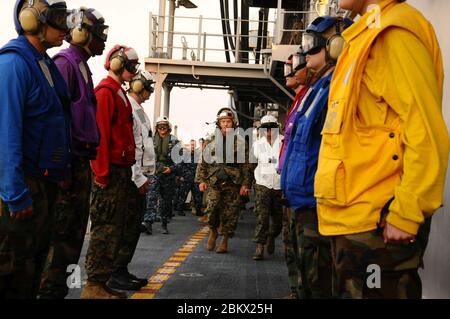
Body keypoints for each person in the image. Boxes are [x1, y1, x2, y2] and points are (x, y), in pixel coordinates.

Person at [315, 0, 448, 299]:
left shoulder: (392, 34)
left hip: (378, 225)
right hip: (357, 221)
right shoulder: (365, 35)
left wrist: (407, 212)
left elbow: (425, 130)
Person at [0, 0, 71, 299]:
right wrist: (15, 193)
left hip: (43, 183)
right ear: (32, 21)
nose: (64, 27)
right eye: (55, 19)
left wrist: (60, 172)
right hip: (23, 187)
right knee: (11, 273)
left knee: (31, 269)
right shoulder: (13, 64)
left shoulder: (45, 64)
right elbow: (6, 132)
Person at [38, 7, 108, 300]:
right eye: (99, 32)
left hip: (78, 164)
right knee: (60, 240)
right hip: (68, 165)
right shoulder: (66, 63)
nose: (103, 38)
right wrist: (63, 167)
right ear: (81, 33)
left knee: (71, 240)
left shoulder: (80, 64)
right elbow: (57, 120)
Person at [281, 15, 352, 299]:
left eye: (313, 45)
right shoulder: (316, 90)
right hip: (302, 201)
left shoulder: (336, 87)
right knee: (308, 281)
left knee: (319, 285)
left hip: (315, 204)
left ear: (336, 46)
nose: (307, 51)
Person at [81, 45, 141, 299]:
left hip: (121, 172)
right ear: (118, 64)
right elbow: (101, 137)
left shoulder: (119, 94)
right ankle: (93, 284)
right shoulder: (106, 93)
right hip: (111, 172)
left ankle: (101, 282)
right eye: (130, 64)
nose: (133, 69)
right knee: (105, 229)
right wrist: (102, 174)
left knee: (114, 229)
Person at [278, 49, 313, 299]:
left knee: (305, 251)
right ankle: (295, 290)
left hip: (304, 191)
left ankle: (300, 291)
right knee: (291, 246)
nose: (288, 71)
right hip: (291, 187)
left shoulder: (310, 98)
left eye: (295, 65)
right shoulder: (298, 101)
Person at [196, 108, 253, 253]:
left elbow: (246, 165)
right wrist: (201, 180)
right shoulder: (211, 140)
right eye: (223, 122)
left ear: (233, 123)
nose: (225, 124)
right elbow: (203, 162)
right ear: (219, 123)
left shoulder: (241, 142)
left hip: (233, 182)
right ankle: (213, 231)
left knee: (230, 213)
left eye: (228, 121)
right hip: (214, 180)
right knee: (211, 209)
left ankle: (224, 239)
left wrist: (246, 184)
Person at [127, 70, 157, 237]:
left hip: (141, 175)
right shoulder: (130, 107)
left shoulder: (139, 110)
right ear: (139, 87)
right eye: (149, 88)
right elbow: (134, 146)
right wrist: (137, 177)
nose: (151, 92)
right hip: (134, 177)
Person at [251, 115, 283, 261]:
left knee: (278, 220)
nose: (269, 132)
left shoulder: (283, 142)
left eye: (272, 128)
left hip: (279, 185)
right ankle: (259, 246)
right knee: (262, 217)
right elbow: (253, 163)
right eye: (266, 129)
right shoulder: (258, 144)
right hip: (262, 184)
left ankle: (271, 235)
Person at [152, 116, 179, 234]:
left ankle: (164, 223)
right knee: (151, 197)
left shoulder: (174, 141)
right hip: (153, 172)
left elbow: (180, 159)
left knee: (166, 200)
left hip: (168, 174)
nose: (162, 128)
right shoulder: (151, 140)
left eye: (164, 126)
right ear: (157, 128)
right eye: (160, 126)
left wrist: (171, 169)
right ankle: (148, 222)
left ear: (168, 128)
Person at [174, 140, 203, 217]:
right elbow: (179, 166)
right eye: (191, 145)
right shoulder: (185, 155)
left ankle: (198, 211)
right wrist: (182, 175)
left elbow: (200, 166)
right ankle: (180, 210)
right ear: (189, 146)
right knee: (183, 195)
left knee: (198, 196)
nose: (193, 147)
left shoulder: (197, 155)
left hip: (196, 179)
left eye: (194, 145)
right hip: (186, 179)